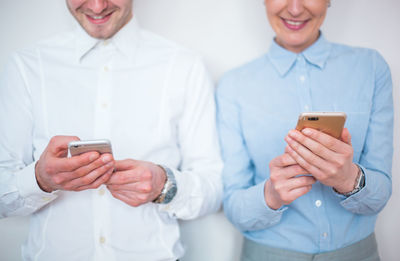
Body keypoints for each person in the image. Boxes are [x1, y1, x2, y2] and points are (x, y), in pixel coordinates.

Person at [0, 0, 223, 260]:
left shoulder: (185, 66)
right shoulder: (26, 67)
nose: (96, 6)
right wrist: (39, 180)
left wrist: (164, 185)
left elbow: (214, 188)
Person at [217, 0, 393, 260]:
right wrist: (271, 195)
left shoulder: (371, 68)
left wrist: (348, 179)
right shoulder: (232, 86)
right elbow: (233, 207)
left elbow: (381, 194)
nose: (296, 9)